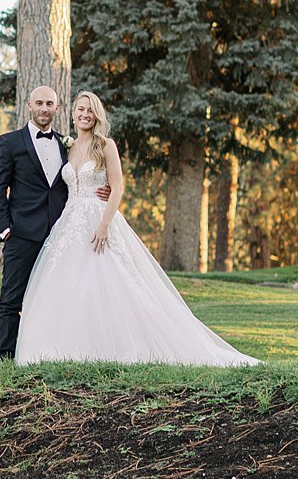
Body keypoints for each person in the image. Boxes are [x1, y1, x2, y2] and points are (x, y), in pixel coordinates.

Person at [14, 89, 259, 367]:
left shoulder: (105, 145)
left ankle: (123, 344)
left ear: (97, 115)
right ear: (71, 113)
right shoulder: (67, 147)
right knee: (67, 285)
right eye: (80, 109)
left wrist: (104, 224)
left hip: (99, 218)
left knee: (111, 281)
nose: (85, 114)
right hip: (70, 223)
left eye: (90, 110)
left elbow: (117, 188)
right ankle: (61, 348)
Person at [0, 84, 82, 360]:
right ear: (29, 106)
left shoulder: (68, 144)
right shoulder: (10, 142)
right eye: (39, 103)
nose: (44, 108)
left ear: (57, 108)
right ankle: (5, 357)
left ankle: (49, 353)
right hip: (21, 234)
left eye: (49, 104)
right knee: (10, 301)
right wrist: (5, 229)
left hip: (58, 235)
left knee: (55, 297)